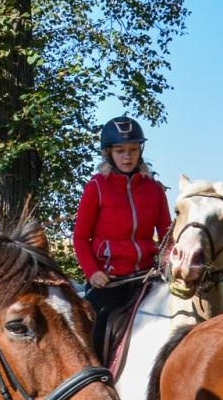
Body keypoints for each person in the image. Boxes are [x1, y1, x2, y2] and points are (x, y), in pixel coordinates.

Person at [72, 116, 171, 363]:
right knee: (92, 329)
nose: (127, 157)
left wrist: (168, 262)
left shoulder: (155, 189)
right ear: (109, 153)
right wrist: (93, 271)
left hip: (147, 277)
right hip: (110, 280)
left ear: (140, 151)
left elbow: (168, 235)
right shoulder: (96, 187)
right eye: (120, 151)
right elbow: (81, 237)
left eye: (133, 150)